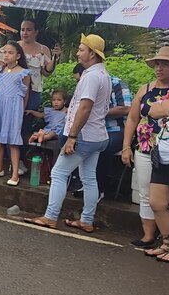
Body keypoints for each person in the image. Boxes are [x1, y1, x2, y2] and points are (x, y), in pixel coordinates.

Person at [24, 34, 111, 233]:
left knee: (59, 173)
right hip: (98, 136)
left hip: (84, 136)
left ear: (92, 54)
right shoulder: (102, 74)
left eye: (81, 49)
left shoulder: (91, 77)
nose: (78, 53)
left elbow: (85, 108)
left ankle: (50, 216)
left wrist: (72, 137)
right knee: (89, 178)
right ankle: (86, 220)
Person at [122, 47, 169, 248]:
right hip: (146, 147)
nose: (159, 68)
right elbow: (132, 118)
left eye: (165, 64)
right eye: (157, 64)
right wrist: (126, 146)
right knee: (146, 192)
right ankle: (148, 234)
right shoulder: (145, 90)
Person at [0, 41, 31, 186]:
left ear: (18, 56)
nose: (6, 55)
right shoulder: (1, 70)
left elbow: (26, 94)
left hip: (14, 109)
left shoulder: (23, 72)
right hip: (0, 107)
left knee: (13, 141)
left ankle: (15, 174)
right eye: (5, 52)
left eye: (10, 53)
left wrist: (21, 110)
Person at [17, 18, 61, 173]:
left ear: (36, 32)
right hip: (15, 91)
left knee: (25, 125)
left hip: (34, 91)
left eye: (29, 29)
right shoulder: (15, 47)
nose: (25, 32)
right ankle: (12, 160)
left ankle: (21, 160)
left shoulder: (43, 49)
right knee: (12, 125)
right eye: (22, 29)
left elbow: (47, 72)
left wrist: (55, 58)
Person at [144, 84, 169, 262]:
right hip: (163, 157)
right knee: (157, 203)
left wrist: (166, 105)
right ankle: (167, 242)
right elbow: (152, 111)